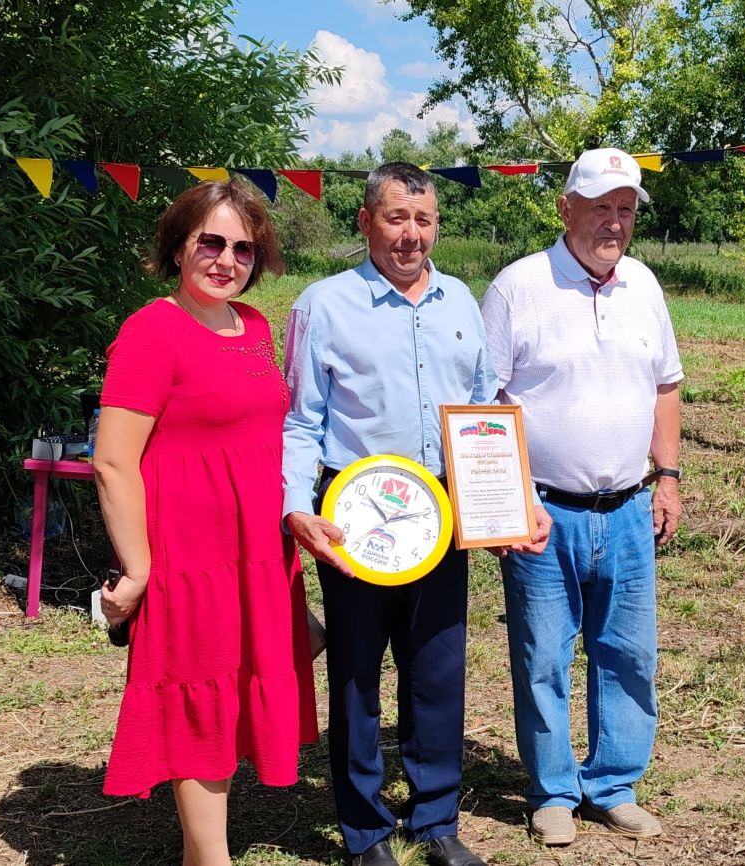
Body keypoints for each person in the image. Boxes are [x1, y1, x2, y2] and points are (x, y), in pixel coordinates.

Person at [282, 162, 549, 866]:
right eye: (396, 218)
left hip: (442, 510)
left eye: (423, 220)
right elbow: (300, 424)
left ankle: (435, 822)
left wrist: (518, 501)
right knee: (357, 672)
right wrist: (293, 507)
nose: (411, 234)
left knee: (437, 670)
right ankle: (366, 830)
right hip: (356, 515)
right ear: (366, 221)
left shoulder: (462, 301)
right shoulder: (324, 305)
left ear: (437, 225)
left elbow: (489, 410)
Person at [93, 180, 317, 866]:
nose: (227, 260)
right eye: (211, 242)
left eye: (243, 248)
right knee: (201, 696)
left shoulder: (251, 326)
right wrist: (139, 570)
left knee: (265, 664)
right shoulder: (152, 330)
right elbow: (112, 462)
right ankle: (209, 858)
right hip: (190, 555)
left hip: (258, 547)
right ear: (179, 245)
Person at [479, 147, 684, 846]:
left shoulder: (645, 287)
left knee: (627, 654)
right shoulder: (518, 288)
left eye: (625, 210)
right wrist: (509, 502)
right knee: (542, 657)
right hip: (543, 510)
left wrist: (670, 475)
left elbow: (666, 384)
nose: (614, 222)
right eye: (601, 207)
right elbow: (485, 403)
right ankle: (553, 792)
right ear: (566, 208)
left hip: (627, 507)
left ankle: (613, 784)